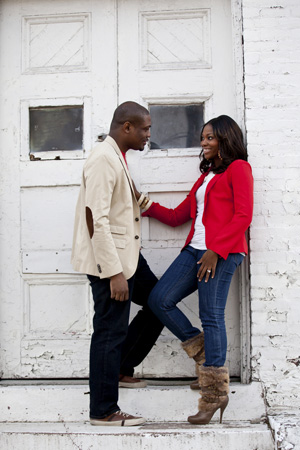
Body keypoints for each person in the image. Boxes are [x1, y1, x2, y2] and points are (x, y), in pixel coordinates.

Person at [144, 115, 253, 425]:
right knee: (159, 299)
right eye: (203, 138)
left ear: (225, 139)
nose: (203, 143)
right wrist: (144, 204)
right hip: (194, 250)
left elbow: (243, 216)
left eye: (209, 138)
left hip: (221, 253)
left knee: (211, 315)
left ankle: (214, 394)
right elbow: (180, 215)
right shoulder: (205, 177)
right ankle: (205, 355)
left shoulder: (239, 169)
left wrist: (216, 251)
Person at [71, 101, 164, 426]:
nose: (148, 135)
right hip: (109, 264)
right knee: (110, 331)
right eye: (145, 128)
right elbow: (95, 217)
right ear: (127, 127)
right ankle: (104, 410)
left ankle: (123, 366)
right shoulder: (102, 159)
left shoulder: (116, 157)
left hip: (128, 256)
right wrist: (114, 273)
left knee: (160, 301)